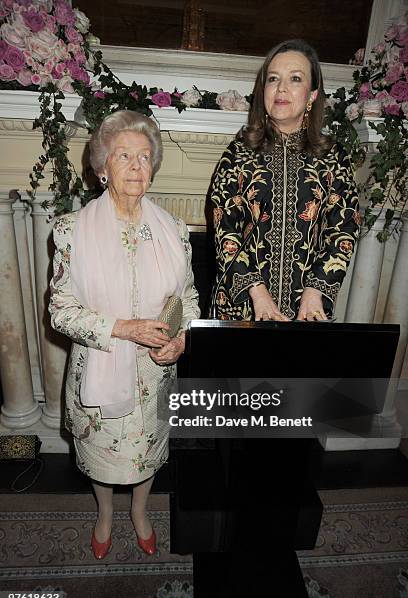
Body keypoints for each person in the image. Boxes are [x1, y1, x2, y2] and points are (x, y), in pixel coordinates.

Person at [49, 110, 200, 560]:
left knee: (146, 453)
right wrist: (122, 328)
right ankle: (104, 512)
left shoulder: (175, 230)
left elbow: (187, 298)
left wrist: (181, 339)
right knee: (103, 455)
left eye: (144, 157)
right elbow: (60, 311)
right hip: (99, 370)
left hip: (156, 371)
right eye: (123, 156)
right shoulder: (70, 231)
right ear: (101, 169)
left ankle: (139, 510)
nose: (137, 166)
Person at [210, 39, 360, 322]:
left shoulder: (332, 156)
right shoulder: (238, 153)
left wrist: (316, 290)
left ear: (312, 94)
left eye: (295, 79)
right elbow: (224, 228)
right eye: (273, 79)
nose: (281, 88)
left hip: (307, 312)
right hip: (243, 309)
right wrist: (256, 292)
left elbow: (344, 228)